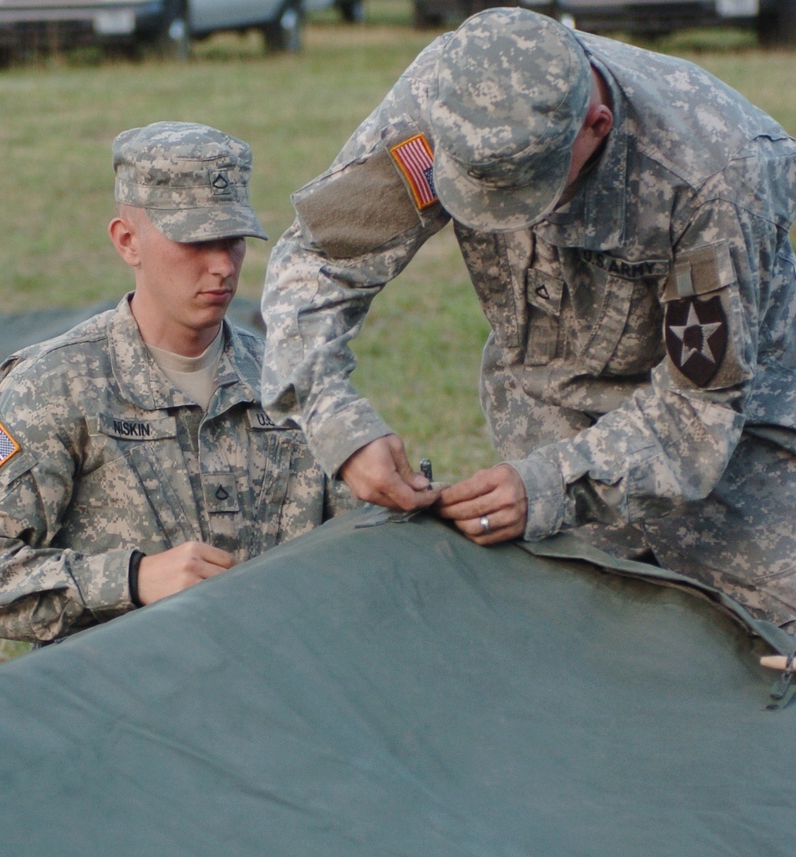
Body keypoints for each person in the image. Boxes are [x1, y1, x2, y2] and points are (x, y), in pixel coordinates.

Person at [260, 8, 796, 629]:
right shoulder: (452, 97)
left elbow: (698, 415)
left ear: (596, 125)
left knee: (763, 663)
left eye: (527, 197)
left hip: (738, 449)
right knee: (569, 655)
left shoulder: (716, 174)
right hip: (547, 413)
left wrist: (547, 486)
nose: (506, 221)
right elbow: (322, 256)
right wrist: (334, 419)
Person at [0, 121, 354, 644]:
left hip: (277, 676)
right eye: (195, 241)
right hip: (122, 698)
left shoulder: (286, 377)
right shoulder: (55, 388)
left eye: (234, 241)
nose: (222, 266)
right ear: (128, 241)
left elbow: (362, 533)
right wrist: (130, 579)